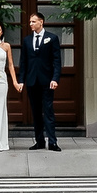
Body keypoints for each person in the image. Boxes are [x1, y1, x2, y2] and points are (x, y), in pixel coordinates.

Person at [19, 10, 62, 149]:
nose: (30, 24)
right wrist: (21, 80)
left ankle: (52, 141)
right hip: (32, 81)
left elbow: (56, 60)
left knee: (48, 110)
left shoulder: (52, 38)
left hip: (47, 81)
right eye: (30, 22)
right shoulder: (26, 40)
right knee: (36, 112)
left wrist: (55, 78)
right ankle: (39, 141)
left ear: (41, 22)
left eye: (33, 21)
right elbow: (23, 61)